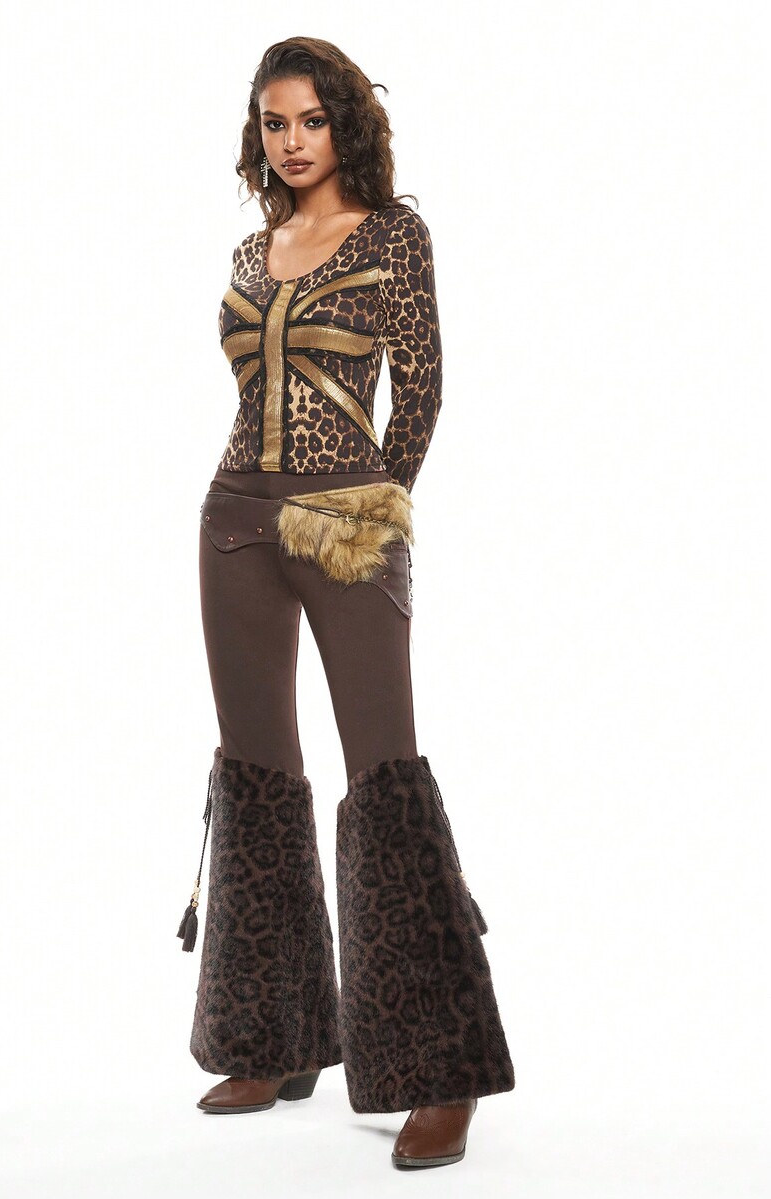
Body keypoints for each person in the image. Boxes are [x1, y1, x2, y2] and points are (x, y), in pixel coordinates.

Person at [178, 36, 515, 1170]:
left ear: (345, 124)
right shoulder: (253, 244)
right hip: (234, 522)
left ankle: (440, 1070)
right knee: (256, 771)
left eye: (311, 120)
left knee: (385, 776)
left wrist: (373, 505)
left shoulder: (391, 236)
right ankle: (273, 1034)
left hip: (347, 526)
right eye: (274, 122)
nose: (291, 141)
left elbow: (422, 388)